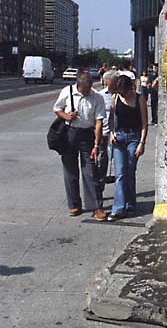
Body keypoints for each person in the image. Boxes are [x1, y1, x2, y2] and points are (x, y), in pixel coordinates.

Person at [53, 71, 107, 220]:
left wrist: (96, 144)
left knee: (90, 170)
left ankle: (96, 206)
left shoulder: (97, 97)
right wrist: (66, 116)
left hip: (87, 135)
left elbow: (98, 122)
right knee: (70, 171)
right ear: (78, 85)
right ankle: (74, 204)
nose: (87, 92)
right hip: (69, 134)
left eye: (89, 88)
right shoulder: (67, 92)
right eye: (85, 89)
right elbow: (57, 108)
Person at [108, 75, 148, 221]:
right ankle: (118, 208)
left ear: (129, 88)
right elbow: (111, 118)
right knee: (120, 174)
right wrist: (111, 133)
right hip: (119, 137)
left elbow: (144, 123)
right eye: (119, 92)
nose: (121, 95)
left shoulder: (139, 99)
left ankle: (130, 203)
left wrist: (142, 143)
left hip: (133, 138)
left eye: (123, 92)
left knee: (130, 172)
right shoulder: (116, 98)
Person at [97, 70, 118, 207]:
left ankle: (121, 195)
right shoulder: (99, 96)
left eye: (113, 85)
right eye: (109, 85)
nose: (111, 88)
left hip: (118, 134)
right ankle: (98, 195)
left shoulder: (121, 95)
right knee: (100, 166)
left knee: (121, 167)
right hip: (104, 134)